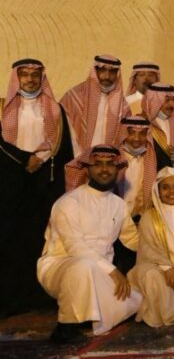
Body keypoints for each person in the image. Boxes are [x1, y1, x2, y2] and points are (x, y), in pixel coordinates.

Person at [38, 145, 141, 343]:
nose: (104, 169)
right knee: (83, 265)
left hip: (101, 272)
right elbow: (75, 247)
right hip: (61, 266)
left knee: (138, 303)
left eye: (110, 164)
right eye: (98, 164)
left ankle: (88, 315)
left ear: (118, 169)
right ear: (86, 169)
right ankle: (65, 327)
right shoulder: (69, 202)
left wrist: (159, 248)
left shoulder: (119, 204)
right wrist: (112, 271)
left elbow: (131, 238)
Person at [0, 58, 74, 317]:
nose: (30, 79)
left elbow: (64, 149)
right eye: (24, 74)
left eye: (35, 75)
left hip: (44, 185)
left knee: (39, 240)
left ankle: (37, 297)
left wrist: (41, 162)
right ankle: (8, 299)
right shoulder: (2, 107)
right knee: (10, 240)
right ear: (16, 77)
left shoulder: (55, 109)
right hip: (10, 185)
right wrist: (25, 160)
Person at [127, 167, 174, 327]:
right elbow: (149, 248)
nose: (171, 191)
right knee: (151, 275)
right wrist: (168, 268)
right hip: (159, 267)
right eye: (165, 187)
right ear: (158, 191)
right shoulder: (149, 216)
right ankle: (172, 314)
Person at [61, 55, 131, 157]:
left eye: (112, 71)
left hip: (107, 161)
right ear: (95, 71)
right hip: (75, 156)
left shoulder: (123, 107)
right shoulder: (74, 97)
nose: (107, 76)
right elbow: (61, 128)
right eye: (103, 70)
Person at [141, 83, 174, 169]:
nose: (171, 104)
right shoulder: (141, 124)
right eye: (167, 100)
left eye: (173, 100)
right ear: (154, 102)